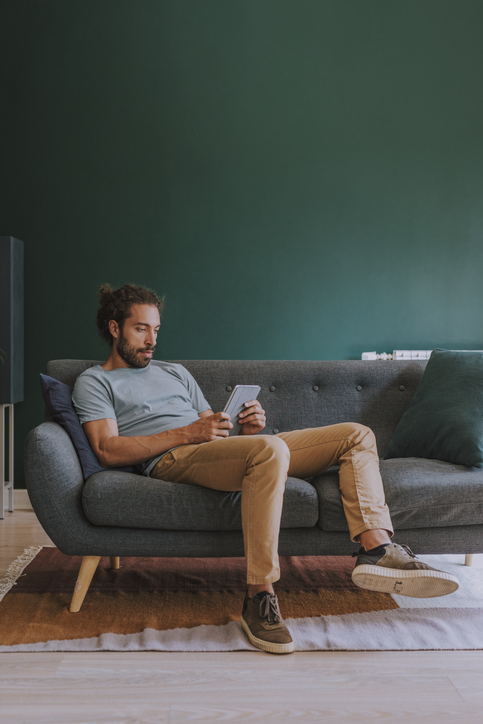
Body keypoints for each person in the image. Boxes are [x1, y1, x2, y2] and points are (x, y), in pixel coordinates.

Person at [72, 283, 459, 655]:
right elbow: (107, 450)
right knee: (269, 449)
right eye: (141, 329)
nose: (152, 340)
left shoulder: (175, 372)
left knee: (355, 435)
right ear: (114, 328)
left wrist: (247, 429)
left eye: (155, 330)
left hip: (218, 451)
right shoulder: (95, 381)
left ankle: (377, 548)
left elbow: (215, 432)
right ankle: (260, 595)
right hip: (172, 459)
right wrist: (189, 432)